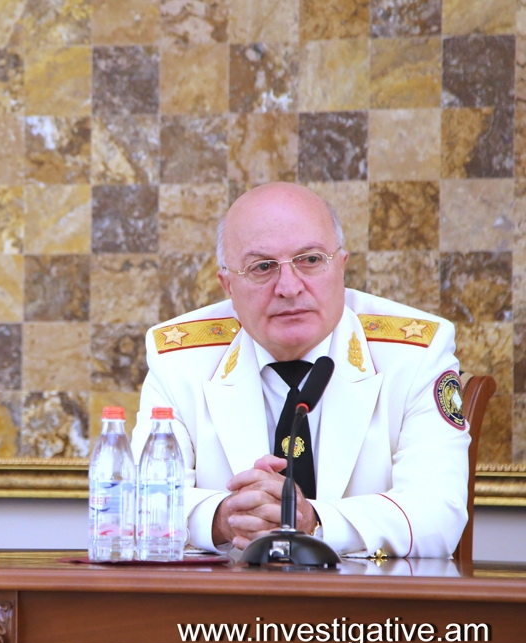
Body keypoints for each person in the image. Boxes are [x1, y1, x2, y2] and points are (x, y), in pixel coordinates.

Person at [131, 182, 469, 559]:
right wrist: (223, 518)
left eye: (310, 260)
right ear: (228, 285)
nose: (289, 288)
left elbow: (439, 513)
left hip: (368, 594)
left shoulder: (415, 353)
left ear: (341, 266)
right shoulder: (179, 358)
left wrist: (314, 522)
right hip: (229, 594)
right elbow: (137, 505)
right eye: (262, 267)